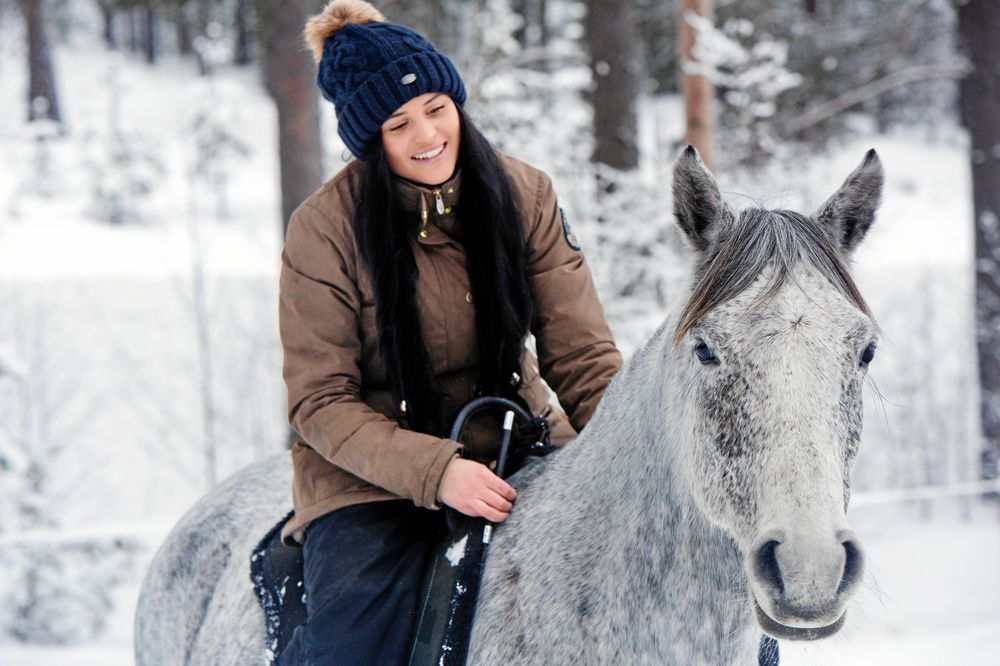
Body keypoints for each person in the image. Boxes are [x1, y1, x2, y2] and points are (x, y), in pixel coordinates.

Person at [276, 1, 622, 663]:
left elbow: (581, 352)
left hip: (518, 437)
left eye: (437, 107)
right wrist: (437, 472)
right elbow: (318, 402)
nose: (427, 134)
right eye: (398, 123)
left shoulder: (526, 193)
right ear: (369, 139)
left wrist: (632, 452)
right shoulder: (323, 230)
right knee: (351, 642)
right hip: (371, 473)